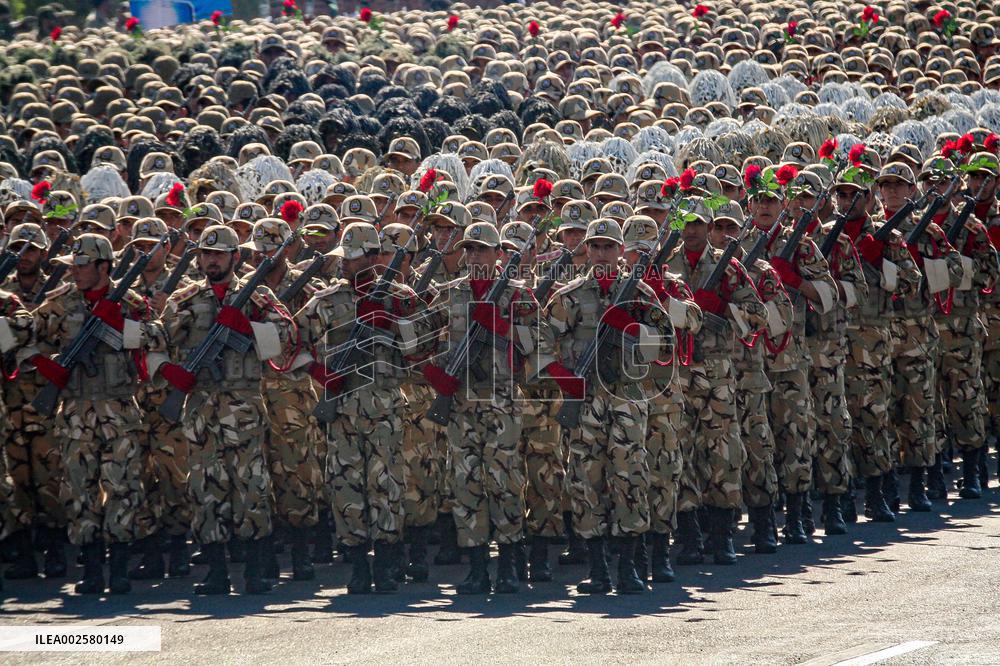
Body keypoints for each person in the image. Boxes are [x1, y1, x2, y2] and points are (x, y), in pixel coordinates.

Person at [540, 217, 676, 594]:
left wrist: (634, 329)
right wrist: (560, 375)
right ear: (586, 250)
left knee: (630, 474)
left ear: (620, 251)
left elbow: (666, 347)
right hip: (583, 399)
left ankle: (630, 565)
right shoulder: (568, 295)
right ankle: (598, 567)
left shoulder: (640, 293)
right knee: (585, 479)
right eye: (594, 246)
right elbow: (537, 340)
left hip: (627, 398)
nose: (601, 253)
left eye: (608, 246)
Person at [158, 225, 295, 595]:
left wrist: (250, 328)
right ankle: (215, 569)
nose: (211, 260)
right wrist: (167, 370)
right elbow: (156, 338)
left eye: (219, 254)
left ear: (236, 257)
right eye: (206, 253)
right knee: (205, 486)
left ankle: (256, 566)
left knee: (251, 484)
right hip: (202, 406)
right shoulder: (185, 298)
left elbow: (286, 337)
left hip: (243, 404)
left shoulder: (258, 297)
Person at [296, 221, 430, 593]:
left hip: (385, 408)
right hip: (340, 409)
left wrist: (395, 322)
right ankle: (356, 564)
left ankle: (387, 563)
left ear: (373, 258)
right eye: (343, 256)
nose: (343, 264)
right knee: (345, 487)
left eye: (351, 258)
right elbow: (288, 340)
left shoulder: (399, 296)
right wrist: (319, 372)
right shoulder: (328, 300)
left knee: (386, 485)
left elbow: (422, 351)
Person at [31, 234, 168, 594]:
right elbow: (27, 332)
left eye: (82, 265)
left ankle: (119, 566)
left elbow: (158, 338)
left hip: (119, 409)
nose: (74, 272)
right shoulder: (60, 304)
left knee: (122, 486)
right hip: (75, 410)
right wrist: (45, 365)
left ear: (103, 267)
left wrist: (123, 326)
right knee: (79, 488)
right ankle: (91, 568)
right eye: (73, 266)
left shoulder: (130, 303)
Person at [421, 221, 539, 594]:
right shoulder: (449, 293)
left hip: (501, 399)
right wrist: (433, 372)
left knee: (505, 480)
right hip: (459, 402)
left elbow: (540, 344)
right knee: (465, 482)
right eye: (469, 250)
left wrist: (503, 328)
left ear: (498, 255)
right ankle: (476, 566)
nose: (473, 256)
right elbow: (419, 335)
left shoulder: (519, 295)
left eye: (481, 250)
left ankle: (508, 562)